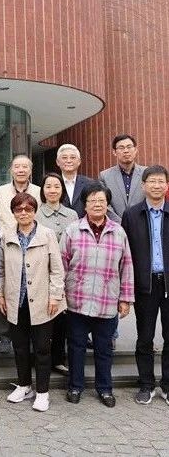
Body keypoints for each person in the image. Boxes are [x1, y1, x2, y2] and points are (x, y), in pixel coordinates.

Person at [60, 182, 134, 407]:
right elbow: (61, 265)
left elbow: (126, 266)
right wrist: (60, 296)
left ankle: (105, 389)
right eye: (92, 201)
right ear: (85, 205)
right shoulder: (73, 230)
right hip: (77, 300)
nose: (97, 204)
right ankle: (75, 386)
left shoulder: (118, 232)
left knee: (104, 349)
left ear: (107, 204)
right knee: (76, 347)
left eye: (101, 200)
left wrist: (125, 298)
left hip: (106, 300)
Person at [0, 193, 66, 412]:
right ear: (13, 212)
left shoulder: (47, 235)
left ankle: (43, 392)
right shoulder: (7, 236)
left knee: (42, 349)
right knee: (19, 347)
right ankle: (24, 385)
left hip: (43, 301)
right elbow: (1, 269)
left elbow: (57, 270)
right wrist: (0, 295)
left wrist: (55, 296)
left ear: (35, 211)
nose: (23, 213)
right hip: (15, 301)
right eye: (19, 209)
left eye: (28, 209)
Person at [121, 165, 169, 405]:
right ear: (143, 185)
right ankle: (146, 385)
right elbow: (125, 252)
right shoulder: (131, 215)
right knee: (145, 337)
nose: (157, 186)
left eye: (161, 181)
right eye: (152, 181)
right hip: (145, 285)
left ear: (167, 186)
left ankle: (167, 385)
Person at [0, 154, 40, 354]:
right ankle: (4, 336)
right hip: (7, 246)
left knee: (31, 291)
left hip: (32, 245)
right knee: (6, 289)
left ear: (30, 170)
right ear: (11, 170)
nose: (21, 170)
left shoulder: (38, 191)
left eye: (25, 167)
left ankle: (31, 334)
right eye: (17, 166)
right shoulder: (0, 192)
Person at [35, 173, 78, 375]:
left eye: (57, 186)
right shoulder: (36, 213)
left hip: (67, 272)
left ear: (62, 190)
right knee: (42, 317)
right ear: (42, 190)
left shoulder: (72, 215)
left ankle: (59, 358)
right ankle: (40, 358)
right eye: (48, 186)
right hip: (41, 272)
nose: (52, 190)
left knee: (62, 316)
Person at [99, 134, 146, 217]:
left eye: (129, 147)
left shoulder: (146, 172)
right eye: (121, 148)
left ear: (135, 150)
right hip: (116, 223)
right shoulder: (105, 176)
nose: (126, 151)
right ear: (114, 152)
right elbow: (104, 202)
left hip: (142, 221)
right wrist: (118, 222)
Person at [55, 144, 94, 218]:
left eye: (72, 157)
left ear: (79, 161)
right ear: (58, 162)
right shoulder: (52, 184)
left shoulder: (90, 183)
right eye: (64, 158)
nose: (69, 161)